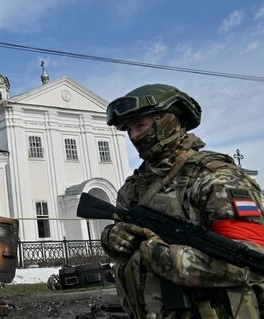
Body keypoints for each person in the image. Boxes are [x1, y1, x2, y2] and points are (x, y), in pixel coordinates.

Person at [101, 84, 264, 318]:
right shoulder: (133, 188)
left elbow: (253, 261)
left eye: (140, 125)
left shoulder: (216, 177)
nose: (134, 136)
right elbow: (122, 239)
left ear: (167, 121)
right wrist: (111, 238)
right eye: (128, 129)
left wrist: (163, 256)